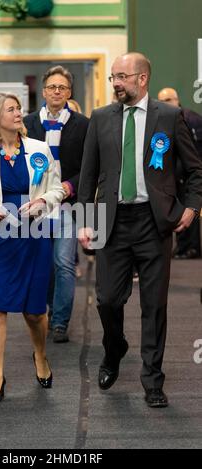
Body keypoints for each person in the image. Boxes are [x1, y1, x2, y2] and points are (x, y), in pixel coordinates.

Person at [78, 52, 202, 408]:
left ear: (142, 79)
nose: (116, 83)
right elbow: (87, 176)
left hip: (154, 222)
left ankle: (152, 380)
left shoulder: (170, 116)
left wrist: (191, 208)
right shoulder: (100, 118)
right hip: (111, 222)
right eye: (113, 77)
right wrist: (86, 220)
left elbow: (196, 171)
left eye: (121, 77)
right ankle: (114, 348)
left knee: (154, 305)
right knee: (107, 300)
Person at [0, 92, 64, 403]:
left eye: (19, 108)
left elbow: (58, 188)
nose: (18, 113)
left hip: (33, 234)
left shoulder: (39, 148)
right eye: (11, 109)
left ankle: (41, 356)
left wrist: (43, 201)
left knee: (34, 312)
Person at [24, 65, 89, 343]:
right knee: (44, 263)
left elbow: (88, 165)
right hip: (36, 206)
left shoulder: (83, 124)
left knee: (63, 262)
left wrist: (69, 186)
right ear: (44, 90)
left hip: (67, 204)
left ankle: (60, 321)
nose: (57, 92)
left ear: (69, 92)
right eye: (52, 87)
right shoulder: (27, 124)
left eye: (62, 87)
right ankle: (48, 309)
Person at [158, 87, 202, 258]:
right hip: (172, 175)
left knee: (190, 209)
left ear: (176, 100)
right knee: (177, 210)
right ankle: (182, 245)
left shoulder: (191, 118)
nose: (164, 104)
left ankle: (191, 248)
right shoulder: (163, 119)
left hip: (189, 174)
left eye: (167, 100)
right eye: (161, 101)